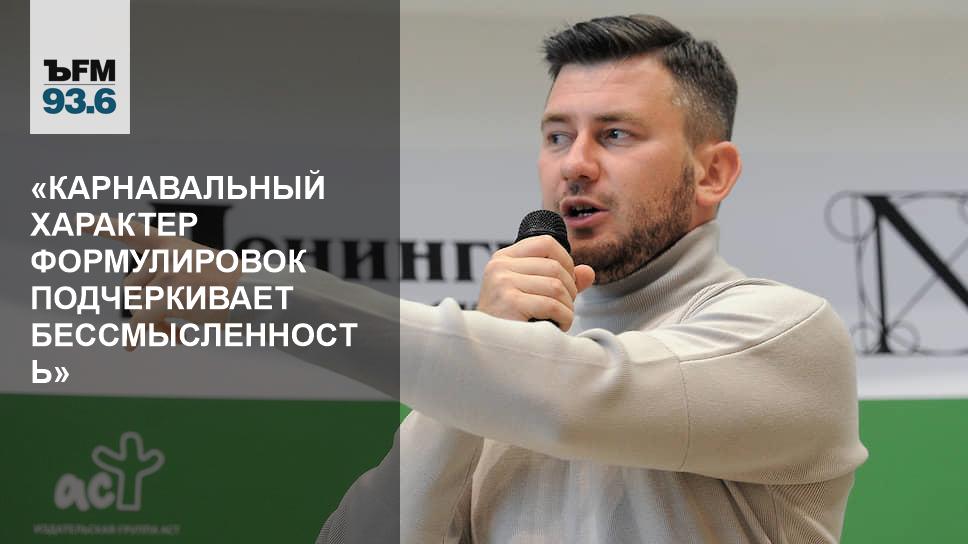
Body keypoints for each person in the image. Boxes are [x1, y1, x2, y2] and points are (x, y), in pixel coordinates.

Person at [95, 14, 868, 544]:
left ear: (713, 173)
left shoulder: (782, 333)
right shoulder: (504, 362)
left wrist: (247, 295)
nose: (574, 164)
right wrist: (477, 368)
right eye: (557, 135)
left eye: (615, 134)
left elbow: (566, 399)